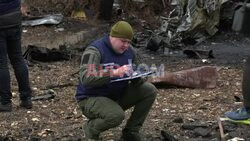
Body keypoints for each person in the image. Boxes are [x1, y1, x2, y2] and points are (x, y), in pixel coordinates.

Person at [75, 21, 158, 141]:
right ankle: (90, 129)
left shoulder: (129, 51)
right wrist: (114, 72)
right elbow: (86, 77)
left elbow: (137, 74)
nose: (126, 45)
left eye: (128, 42)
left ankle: (131, 132)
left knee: (149, 90)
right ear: (111, 37)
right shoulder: (94, 50)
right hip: (91, 98)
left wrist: (141, 75)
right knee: (116, 116)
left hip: (115, 95)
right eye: (123, 41)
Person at [0, 0, 32, 112]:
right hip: (14, 17)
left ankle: (5, 102)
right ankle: (26, 98)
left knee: (1, 64)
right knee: (18, 59)